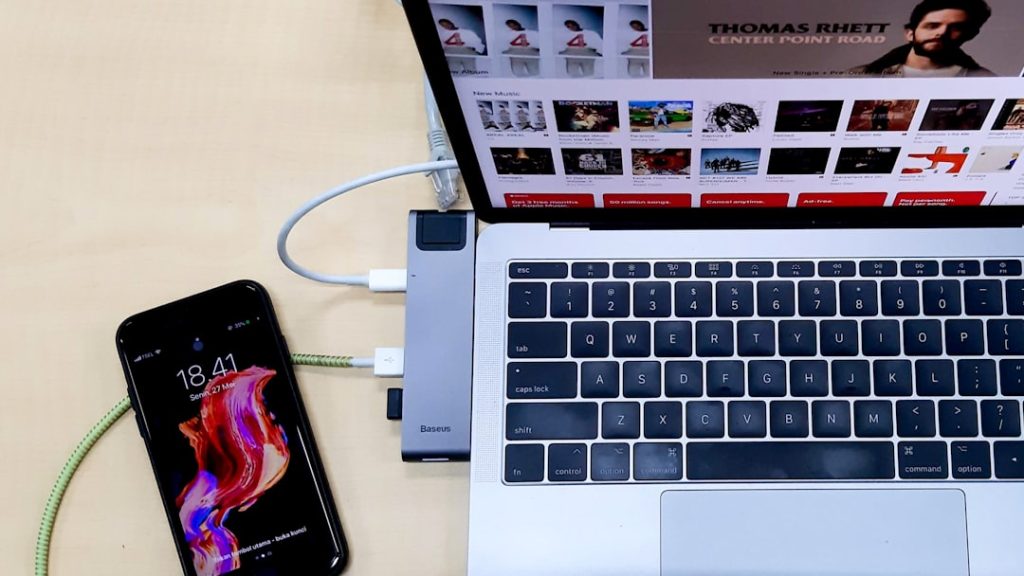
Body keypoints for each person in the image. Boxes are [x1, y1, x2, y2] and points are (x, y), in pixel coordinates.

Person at [849, 0, 995, 77]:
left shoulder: (986, 80)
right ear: (910, 33)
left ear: (970, 35)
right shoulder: (859, 75)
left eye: (956, 28)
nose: (942, 33)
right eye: (932, 25)